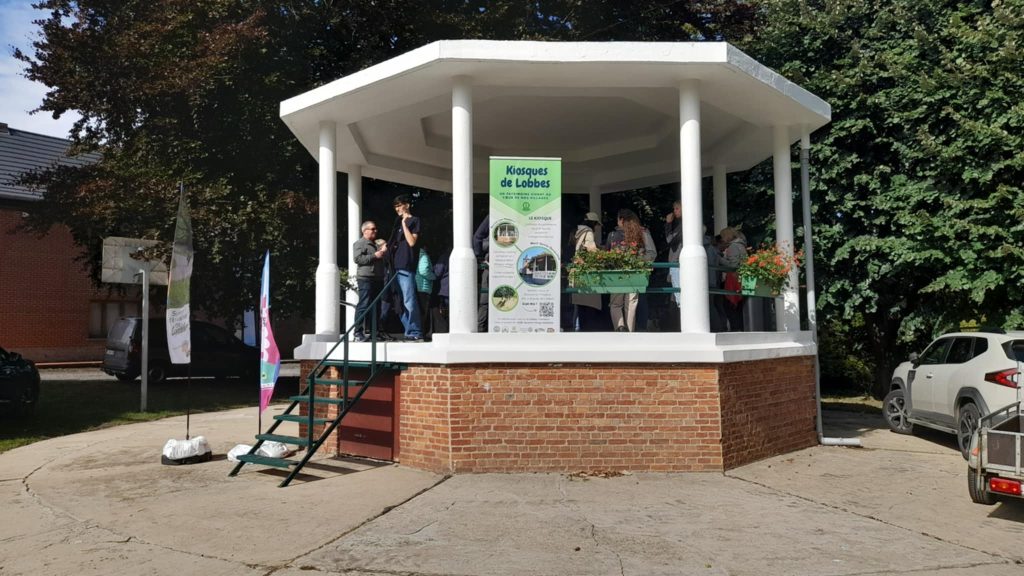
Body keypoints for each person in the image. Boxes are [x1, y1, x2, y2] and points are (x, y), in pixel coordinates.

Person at [606, 209, 656, 332]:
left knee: (615, 303)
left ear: (621, 220)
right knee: (631, 303)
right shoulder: (642, 232)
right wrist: (637, 260)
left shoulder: (612, 235)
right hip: (635, 273)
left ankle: (620, 327)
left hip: (616, 273)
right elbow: (652, 253)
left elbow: (606, 255)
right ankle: (630, 331)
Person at [387, 194, 423, 342]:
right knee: (398, 302)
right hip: (393, 267)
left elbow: (412, 242)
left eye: (399, 205)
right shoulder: (396, 224)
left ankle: (416, 331)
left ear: (407, 205)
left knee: (409, 300)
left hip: (405, 266)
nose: (397, 209)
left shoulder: (414, 221)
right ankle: (409, 330)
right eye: (395, 207)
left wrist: (404, 224)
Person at [351, 221, 387, 342]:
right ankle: (358, 332)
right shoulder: (359, 243)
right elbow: (357, 259)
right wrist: (374, 256)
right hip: (365, 278)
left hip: (377, 277)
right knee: (364, 304)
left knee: (376, 306)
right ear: (364, 230)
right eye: (373, 229)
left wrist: (383, 251)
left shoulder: (376, 244)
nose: (375, 231)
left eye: (376, 229)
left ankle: (374, 332)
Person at [570, 212, 603, 331]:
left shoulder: (576, 231)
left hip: (576, 269)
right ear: (593, 223)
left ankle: (576, 328)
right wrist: (602, 255)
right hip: (586, 272)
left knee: (579, 305)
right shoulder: (588, 232)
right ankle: (588, 330)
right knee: (590, 304)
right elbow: (591, 249)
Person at [719, 226, 747, 332]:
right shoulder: (741, 245)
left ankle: (736, 329)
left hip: (733, 279)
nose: (722, 239)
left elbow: (732, 265)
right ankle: (739, 328)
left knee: (729, 306)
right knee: (738, 306)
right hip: (740, 279)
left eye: (723, 236)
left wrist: (719, 259)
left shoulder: (733, 247)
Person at [415, 244, 435, 341]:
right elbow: (423, 271)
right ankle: (422, 334)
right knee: (423, 313)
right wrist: (433, 277)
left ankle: (421, 333)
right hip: (423, 287)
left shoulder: (417, 256)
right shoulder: (424, 256)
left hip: (419, 287)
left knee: (421, 312)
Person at [473, 216, 489, 332]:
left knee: (485, 299)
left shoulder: (492, 215)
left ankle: (481, 328)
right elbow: (477, 237)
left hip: (490, 264)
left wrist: (479, 257)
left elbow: (477, 237)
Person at [664, 201, 682, 306]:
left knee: (679, 298)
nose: (674, 211)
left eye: (677, 208)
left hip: (677, 263)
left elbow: (669, 240)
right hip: (677, 262)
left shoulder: (683, 225)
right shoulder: (682, 224)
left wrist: (668, 223)